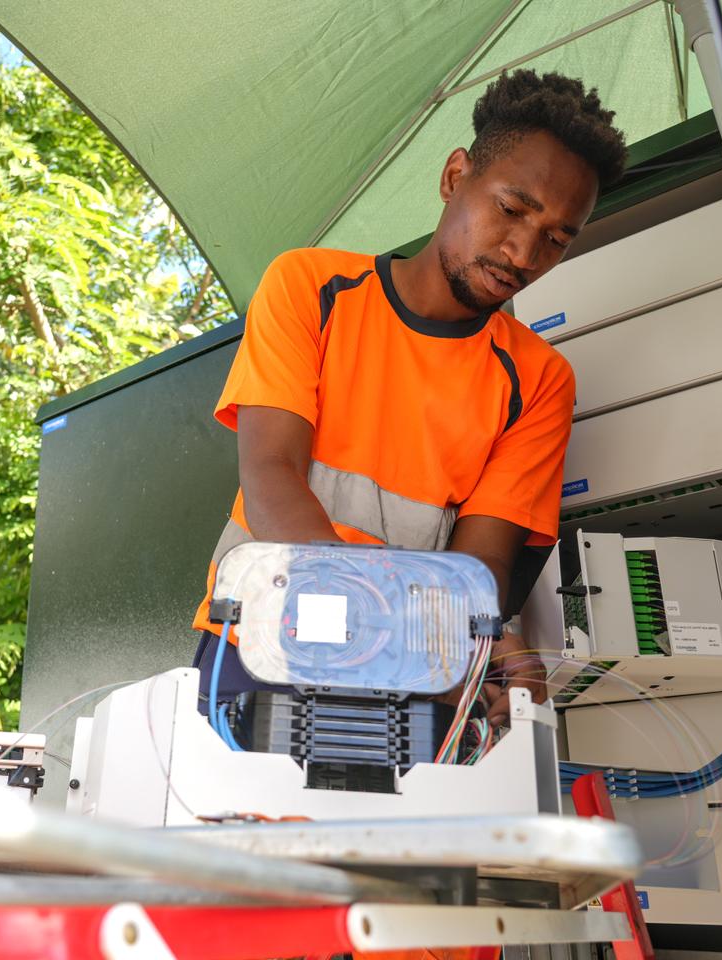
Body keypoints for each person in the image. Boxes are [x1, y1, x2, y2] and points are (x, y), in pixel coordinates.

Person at [191, 69, 628, 727]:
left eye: (558, 238)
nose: (523, 251)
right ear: (456, 176)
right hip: (257, 647)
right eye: (512, 209)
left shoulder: (539, 380)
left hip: (411, 680)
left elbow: (483, 563)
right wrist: (397, 620)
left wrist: (463, 643)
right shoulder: (309, 286)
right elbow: (270, 477)